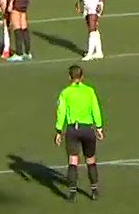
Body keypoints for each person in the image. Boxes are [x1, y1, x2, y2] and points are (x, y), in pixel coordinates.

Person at [54, 65, 105, 202]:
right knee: (91, 160)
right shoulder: (89, 91)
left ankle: (72, 193)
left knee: (73, 161)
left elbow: (61, 113)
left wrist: (59, 131)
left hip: (72, 130)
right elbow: (95, 109)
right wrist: (99, 127)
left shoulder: (65, 93)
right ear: (82, 76)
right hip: (87, 129)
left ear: (69, 77)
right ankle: (94, 190)